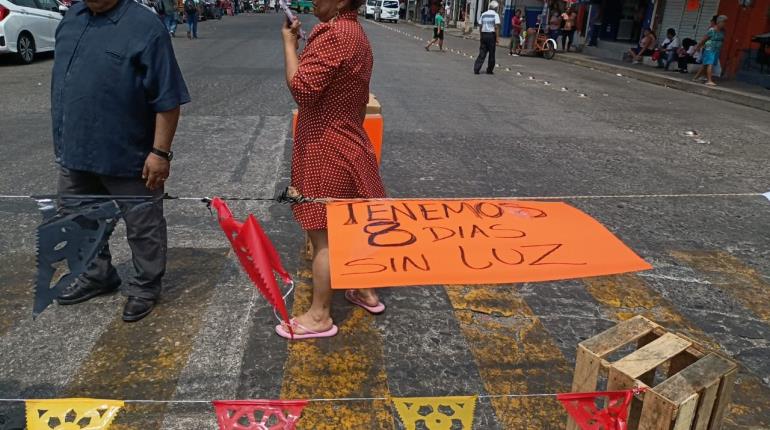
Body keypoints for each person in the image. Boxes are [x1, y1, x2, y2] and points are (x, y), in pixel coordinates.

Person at [51, 0, 190, 322]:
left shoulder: (145, 27)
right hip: (75, 150)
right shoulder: (72, 19)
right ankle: (96, 274)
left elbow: (167, 98)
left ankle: (145, 287)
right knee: (77, 218)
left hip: (129, 153)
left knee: (143, 227)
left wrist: (160, 153)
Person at [279, 0, 386, 339]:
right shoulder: (355, 33)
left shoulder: (333, 34)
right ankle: (365, 290)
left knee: (322, 235)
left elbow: (302, 90)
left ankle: (320, 315)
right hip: (351, 142)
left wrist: (289, 44)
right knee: (350, 225)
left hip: (326, 148)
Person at [692, 15, 727, 86]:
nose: (724, 24)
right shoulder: (712, 30)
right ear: (719, 22)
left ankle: (695, 78)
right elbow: (704, 39)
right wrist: (697, 47)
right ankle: (709, 80)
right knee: (709, 63)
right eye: (723, 22)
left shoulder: (723, 31)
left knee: (705, 64)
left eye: (725, 22)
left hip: (716, 49)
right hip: (709, 49)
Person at [473, 1, 500, 75]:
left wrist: (481, 36)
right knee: (492, 54)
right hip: (491, 35)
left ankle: (476, 68)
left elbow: (480, 26)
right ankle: (489, 70)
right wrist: (497, 38)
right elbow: (496, 27)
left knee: (482, 52)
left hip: (484, 35)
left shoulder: (483, 14)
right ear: (495, 8)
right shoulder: (495, 15)